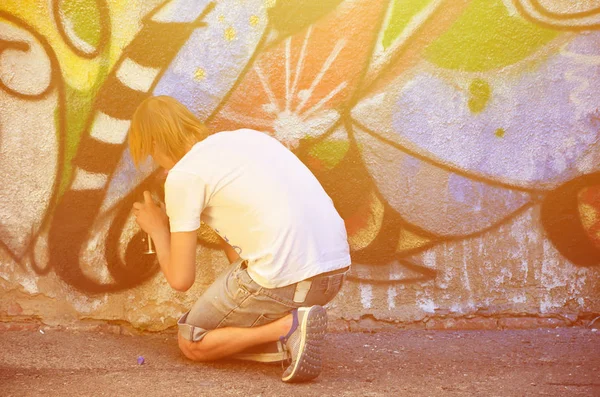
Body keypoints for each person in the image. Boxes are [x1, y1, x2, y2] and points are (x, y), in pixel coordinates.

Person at [129, 96, 351, 382]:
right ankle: (291, 337)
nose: (154, 160)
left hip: (288, 282)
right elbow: (243, 251)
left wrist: (158, 229)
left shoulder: (184, 175)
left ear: (156, 142)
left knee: (193, 342)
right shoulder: (247, 139)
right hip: (332, 276)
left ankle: (286, 328)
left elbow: (181, 280)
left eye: (149, 151)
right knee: (241, 310)